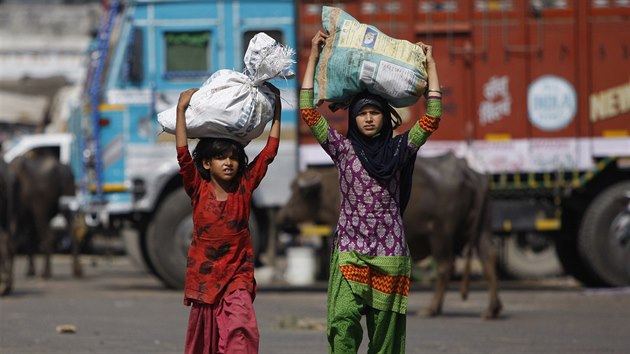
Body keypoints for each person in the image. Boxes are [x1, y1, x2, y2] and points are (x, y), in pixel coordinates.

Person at [300, 30, 443, 353]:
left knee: (385, 340)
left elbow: (432, 117)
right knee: (342, 324)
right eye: (362, 113)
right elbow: (308, 111)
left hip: (389, 254)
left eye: (374, 113)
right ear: (353, 118)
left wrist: (431, 64)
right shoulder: (342, 149)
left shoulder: (400, 149)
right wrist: (313, 54)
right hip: (350, 250)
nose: (368, 118)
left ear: (385, 118)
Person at [175, 83, 281, 354]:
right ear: (207, 163)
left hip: (238, 274)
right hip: (205, 276)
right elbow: (183, 155)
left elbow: (269, 152)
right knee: (206, 340)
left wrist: (277, 109)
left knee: (241, 326)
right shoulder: (197, 188)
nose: (228, 162)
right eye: (220, 157)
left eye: (234, 157)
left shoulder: (245, 186)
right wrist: (180, 109)